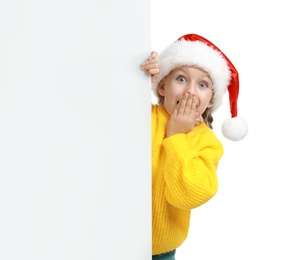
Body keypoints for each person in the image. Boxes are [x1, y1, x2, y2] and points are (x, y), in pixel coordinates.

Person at [141, 33, 248, 259]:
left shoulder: (206, 142)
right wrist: (137, 78)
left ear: (210, 99)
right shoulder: (143, 116)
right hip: (108, 241)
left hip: (160, 253)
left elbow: (188, 195)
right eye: (181, 79)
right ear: (162, 86)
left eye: (202, 84)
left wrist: (176, 136)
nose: (190, 90)